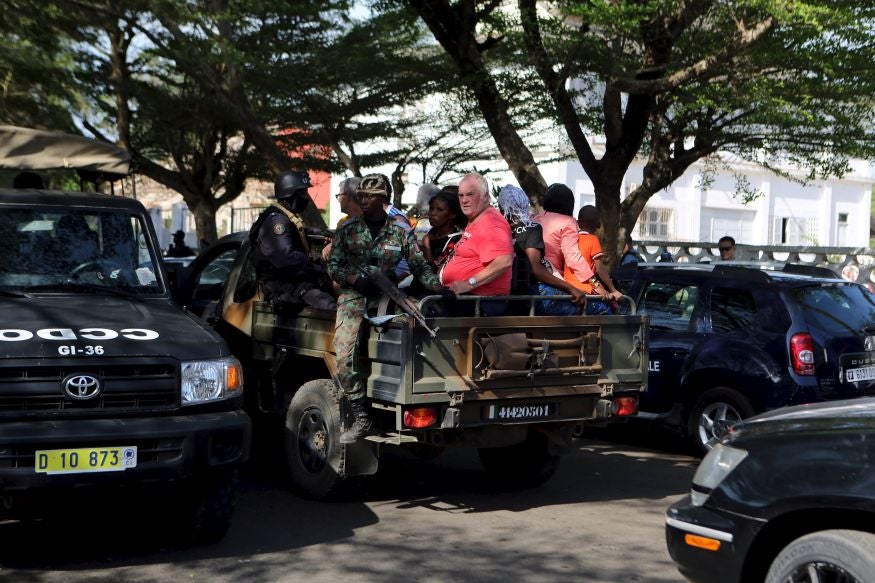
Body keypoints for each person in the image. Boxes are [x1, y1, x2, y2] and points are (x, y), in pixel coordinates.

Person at [328, 173, 454, 442]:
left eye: (369, 196)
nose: (363, 199)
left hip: (388, 298)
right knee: (342, 356)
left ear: (383, 199)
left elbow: (419, 266)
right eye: (360, 195)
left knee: (411, 342)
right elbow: (334, 266)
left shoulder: (399, 232)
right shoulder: (347, 230)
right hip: (354, 298)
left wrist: (439, 289)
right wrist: (355, 280)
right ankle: (361, 416)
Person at [249, 170, 336, 311]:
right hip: (282, 285)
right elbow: (285, 257)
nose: (306, 198)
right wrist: (317, 267)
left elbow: (299, 230)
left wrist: (322, 233)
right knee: (328, 304)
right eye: (302, 193)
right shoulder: (276, 222)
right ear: (289, 196)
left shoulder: (286, 217)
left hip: (294, 281)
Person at [497, 185, 584, 315]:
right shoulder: (531, 227)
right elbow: (536, 269)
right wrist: (572, 289)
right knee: (596, 307)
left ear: (501, 206)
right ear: (524, 202)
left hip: (501, 295)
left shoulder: (495, 229)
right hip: (532, 294)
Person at [440, 172, 513, 316]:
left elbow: (504, 261)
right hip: (465, 297)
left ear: (485, 195)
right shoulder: (476, 218)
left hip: (481, 302)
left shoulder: (492, 223)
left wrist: (469, 283)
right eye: (461, 195)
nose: (464, 200)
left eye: (470, 195)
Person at [533, 183, 595, 292]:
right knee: (603, 307)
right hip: (552, 283)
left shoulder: (535, 219)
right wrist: (595, 283)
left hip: (531, 282)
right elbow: (573, 258)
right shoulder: (568, 222)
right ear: (569, 204)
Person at [565, 205, 624, 314]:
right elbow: (600, 269)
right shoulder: (592, 240)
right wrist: (613, 290)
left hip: (567, 288)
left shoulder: (570, 238)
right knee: (611, 309)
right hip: (586, 288)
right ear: (598, 225)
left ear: (578, 222)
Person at [421, 189, 465, 270]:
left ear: (452, 214)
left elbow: (435, 271)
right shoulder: (430, 234)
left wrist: (426, 246)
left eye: (440, 210)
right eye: (431, 208)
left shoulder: (456, 240)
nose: (432, 213)